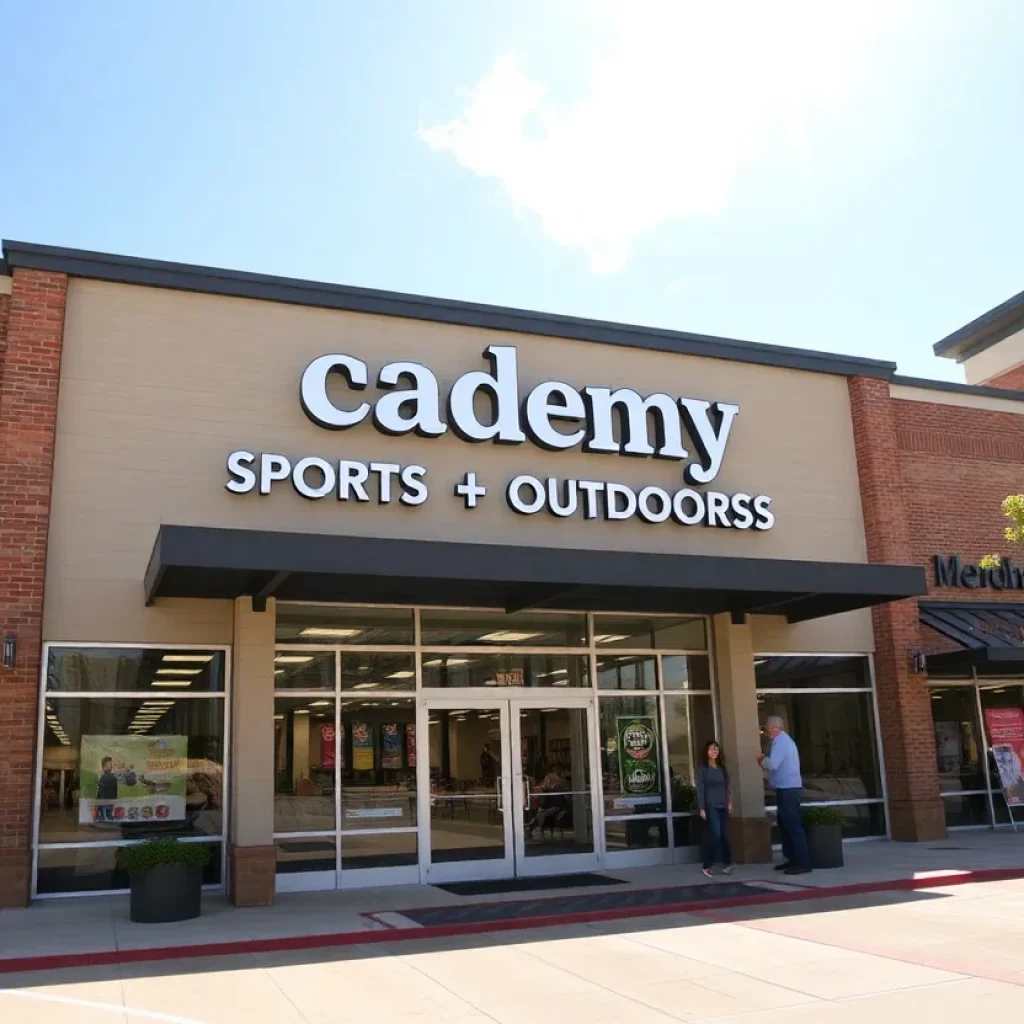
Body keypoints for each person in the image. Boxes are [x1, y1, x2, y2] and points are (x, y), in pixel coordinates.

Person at [758, 716, 811, 875]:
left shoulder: (781, 742)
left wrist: (762, 759)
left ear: (773, 728)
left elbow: (773, 764)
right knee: (785, 825)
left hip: (789, 790)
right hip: (784, 788)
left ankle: (803, 862)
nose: (766, 732)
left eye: (767, 728)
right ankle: (792, 859)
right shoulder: (783, 741)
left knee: (793, 825)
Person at [696, 740, 732, 878]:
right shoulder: (703, 768)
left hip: (723, 804)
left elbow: (727, 786)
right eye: (711, 749)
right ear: (706, 751)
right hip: (711, 805)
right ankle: (707, 865)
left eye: (716, 749)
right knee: (715, 834)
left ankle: (727, 863)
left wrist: (729, 801)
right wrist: (702, 808)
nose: (714, 752)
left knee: (724, 836)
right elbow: (700, 789)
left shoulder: (722, 767)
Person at [96, 756, 118, 822]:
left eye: (112, 763)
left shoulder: (112, 775)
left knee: (109, 816)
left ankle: (108, 815)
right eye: (110, 763)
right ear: (105, 764)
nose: (111, 765)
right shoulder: (100, 774)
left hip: (111, 799)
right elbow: (99, 787)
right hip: (103, 799)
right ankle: (103, 816)